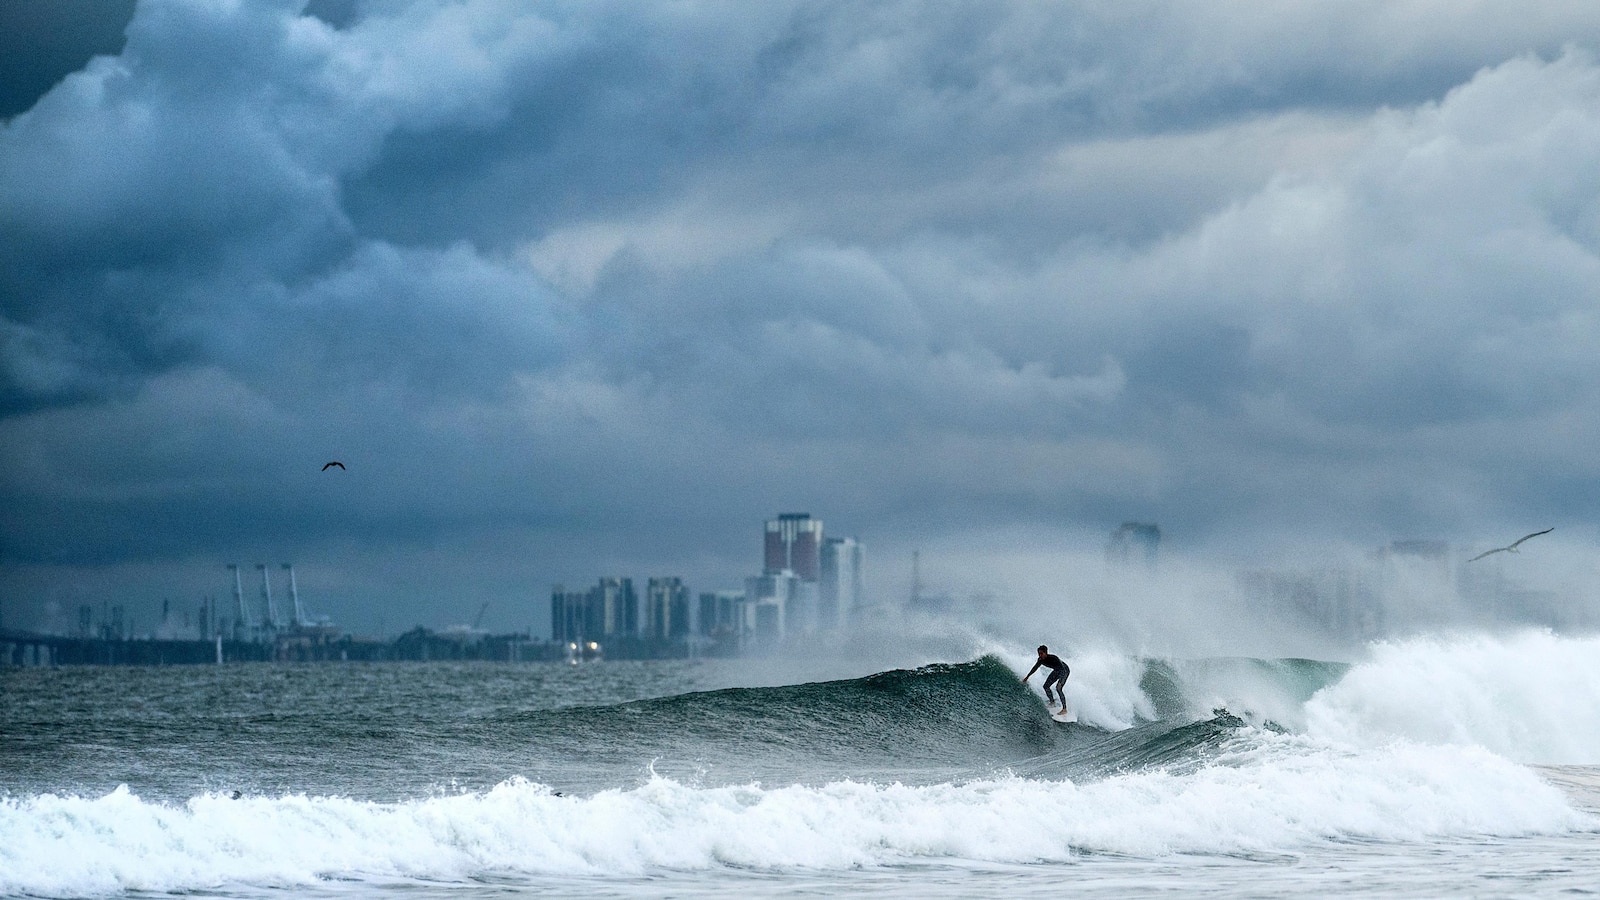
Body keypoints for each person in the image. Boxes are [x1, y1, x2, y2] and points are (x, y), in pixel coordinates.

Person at [1024, 645, 1070, 711]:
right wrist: (1027, 677)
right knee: (1046, 686)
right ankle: (1052, 702)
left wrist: (1060, 681)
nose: (1040, 655)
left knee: (1058, 688)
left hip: (1065, 670)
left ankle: (1064, 709)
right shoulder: (1040, 660)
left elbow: (1063, 669)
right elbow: (1035, 668)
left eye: (1041, 653)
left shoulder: (1054, 658)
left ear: (1046, 653)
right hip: (1056, 670)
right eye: (1039, 654)